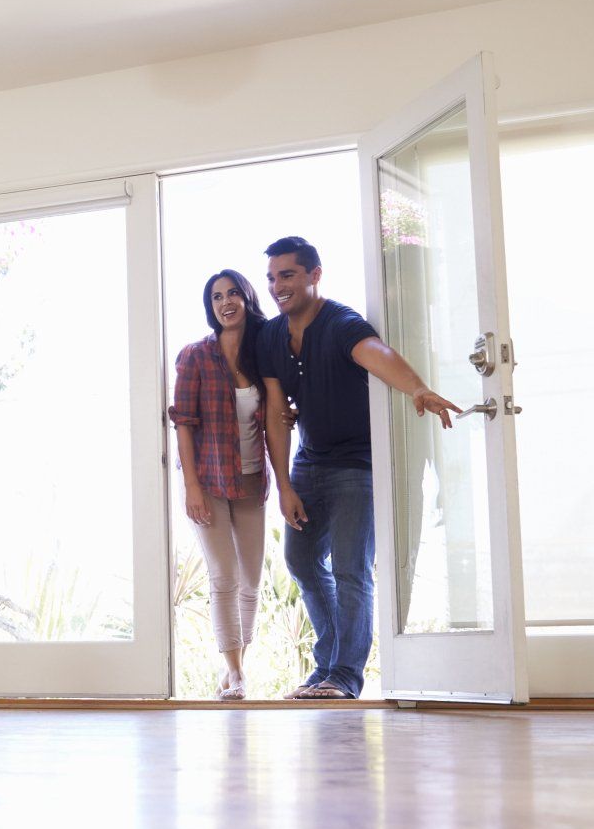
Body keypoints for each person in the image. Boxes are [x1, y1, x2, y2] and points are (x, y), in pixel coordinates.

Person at [258, 237, 459, 699]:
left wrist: (418, 388)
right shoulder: (271, 337)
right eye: (271, 278)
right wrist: (284, 484)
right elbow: (274, 411)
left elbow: (376, 353)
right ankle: (328, 666)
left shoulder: (340, 322)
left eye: (287, 275)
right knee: (302, 561)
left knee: (351, 568)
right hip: (310, 461)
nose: (277, 286)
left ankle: (344, 677)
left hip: (357, 465)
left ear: (314, 274)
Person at [169, 270, 270, 701]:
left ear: (247, 298)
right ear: (210, 307)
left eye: (232, 294)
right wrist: (191, 486)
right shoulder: (194, 356)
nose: (225, 303)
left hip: (250, 479)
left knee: (250, 579)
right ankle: (235, 671)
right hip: (207, 479)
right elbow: (184, 424)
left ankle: (235, 669)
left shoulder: (264, 354)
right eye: (216, 297)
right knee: (223, 576)